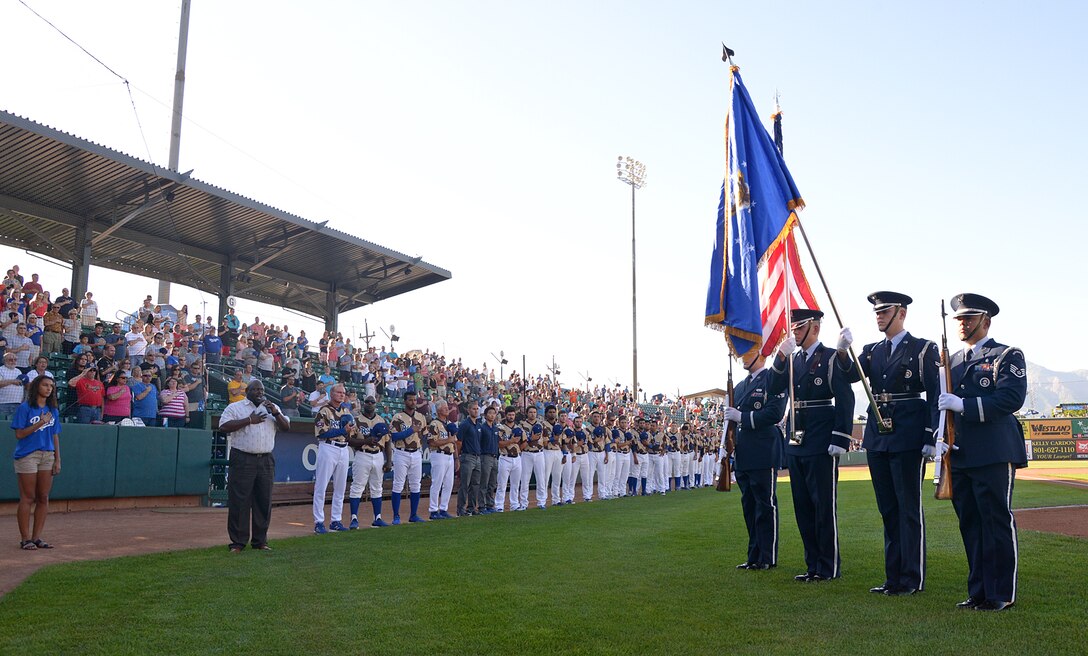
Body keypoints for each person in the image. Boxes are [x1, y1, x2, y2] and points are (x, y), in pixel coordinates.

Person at [839, 291, 940, 596]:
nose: (879, 316)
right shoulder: (871, 351)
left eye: (885, 311)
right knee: (888, 509)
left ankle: (912, 578)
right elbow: (849, 376)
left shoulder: (923, 349)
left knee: (908, 508)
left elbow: (935, 394)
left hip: (908, 433)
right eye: (877, 312)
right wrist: (843, 350)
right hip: (879, 435)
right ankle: (892, 577)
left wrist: (930, 435)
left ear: (901, 313)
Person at [936, 293, 1027, 612]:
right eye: (959, 319)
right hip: (959, 452)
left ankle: (1001, 592)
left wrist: (964, 406)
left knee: (996, 520)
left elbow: (1010, 399)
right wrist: (941, 437)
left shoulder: (1006, 355)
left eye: (969, 318)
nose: (962, 324)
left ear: (986, 321)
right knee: (971, 524)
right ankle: (978, 591)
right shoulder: (952, 361)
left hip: (993, 450)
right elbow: (944, 407)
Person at [768, 308, 855, 583]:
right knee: (803, 505)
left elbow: (845, 397)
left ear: (814, 328)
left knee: (823, 506)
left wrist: (840, 436)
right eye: (793, 328)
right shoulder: (792, 360)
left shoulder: (830, 357)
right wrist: (780, 357)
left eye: (799, 327)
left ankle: (828, 566)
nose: (794, 332)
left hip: (820, 437)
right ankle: (812, 564)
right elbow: (772, 387)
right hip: (796, 437)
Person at [725, 349, 787, 571]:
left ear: (761, 355)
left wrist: (742, 417)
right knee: (749, 505)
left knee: (765, 504)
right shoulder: (740, 386)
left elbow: (774, 413)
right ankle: (753, 556)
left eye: (748, 352)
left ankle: (767, 556)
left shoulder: (773, 378)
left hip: (763, 449)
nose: (742, 357)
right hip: (743, 450)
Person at [218, 380, 289, 553]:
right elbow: (223, 426)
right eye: (255, 389)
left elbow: (286, 427)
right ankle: (238, 542)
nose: (259, 392)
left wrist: (276, 413)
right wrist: (250, 420)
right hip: (243, 458)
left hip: (265, 459)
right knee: (240, 501)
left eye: (262, 389)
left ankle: (260, 541)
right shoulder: (236, 407)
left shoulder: (272, 408)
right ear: (247, 390)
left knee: (263, 501)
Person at [12, 375, 62, 550]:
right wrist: (41, 422)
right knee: (28, 497)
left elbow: (55, 435)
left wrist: (58, 459)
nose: (49, 389)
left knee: (43, 497)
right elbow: (19, 434)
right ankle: (25, 539)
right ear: (37, 387)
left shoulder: (53, 410)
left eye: (51, 386)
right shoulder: (25, 408)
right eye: (45, 385)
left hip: (47, 455)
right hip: (28, 455)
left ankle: (37, 537)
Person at [312, 384, 356, 533]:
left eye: (343, 392)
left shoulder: (346, 411)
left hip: (343, 448)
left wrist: (348, 432)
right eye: (338, 392)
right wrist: (342, 430)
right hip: (328, 447)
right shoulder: (324, 410)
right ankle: (319, 522)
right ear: (332, 394)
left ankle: (336, 520)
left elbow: (351, 433)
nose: (342, 394)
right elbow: (321, 433)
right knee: (321, 486)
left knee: (340, 487)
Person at [346, 396, 392, 529]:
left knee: (377, 488)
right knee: (357, 487)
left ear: (375, 404)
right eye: (367, 402)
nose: (370, 404)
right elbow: (349, 440)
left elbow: (388, 442)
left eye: (372, 402)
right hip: (362, 454)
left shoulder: (381, 420)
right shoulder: (356, 420)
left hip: (378, 455)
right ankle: (354, 518)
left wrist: (389, 460)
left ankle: (377, 518)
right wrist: (365, 441)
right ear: (363, 403)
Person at [389, 390, 429, 523]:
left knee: (415, 485)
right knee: (398, 485)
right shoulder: (398, 417)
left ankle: (413, 515)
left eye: (414, 400)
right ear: (405, 401)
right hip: (401, 452)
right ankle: (396, 515)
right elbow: (394, 436)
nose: (413, 402)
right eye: (410, 400)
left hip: (416, 453)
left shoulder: (420, 417)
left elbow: (424, 434)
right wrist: (411, 430)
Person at [426, 401, 458, 519]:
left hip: (450, 455)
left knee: (449, 484)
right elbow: (432, 442)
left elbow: (454, 441)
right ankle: (433, 510)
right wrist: (448, 441)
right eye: (444, 408)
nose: (446, 409)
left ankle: (444, 508)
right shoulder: (434, 423)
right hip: (438, 454)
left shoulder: (450, 424)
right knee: (437, 483)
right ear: (438, 410)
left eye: (447, 408)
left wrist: (456, 458)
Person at [518, 406, 548, 510]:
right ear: (527, 413)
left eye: (534, 412)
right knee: (525, 479)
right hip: (527, 452)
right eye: (530, 412)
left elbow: (545, 439)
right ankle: (523, 503)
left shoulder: (541, 424)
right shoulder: (522, 424)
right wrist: (531, 439)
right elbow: (520, 439)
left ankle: (541, 502)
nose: (532, 414)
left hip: (539, 453)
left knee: (541, 478)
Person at [456, 400, 482, 516]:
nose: (475, 411)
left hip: (477, 457)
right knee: (465, 484)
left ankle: (472, 507)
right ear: (468, 410)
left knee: (475, 484)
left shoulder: (478, 424)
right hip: (467, 456)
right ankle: (461, 509)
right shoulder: (465, 424)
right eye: (473, 409)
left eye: (477, 409)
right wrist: (459, 457)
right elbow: (459, 442)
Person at [495, 406, 523, 512]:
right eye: (509, 414)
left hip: (517, 458)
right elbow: (499, 443)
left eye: (513, 415)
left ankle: (514, 504)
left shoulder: (519, 428)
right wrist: (511, 441)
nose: (511, 416)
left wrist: (519, 448)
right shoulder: (500, 427)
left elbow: (524, 441)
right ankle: (499, 505)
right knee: (502, 484)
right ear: (505, 415)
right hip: (505, 457)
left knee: (515, 484)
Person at [478, 404, 500, 514]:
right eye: (490, 413)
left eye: (494, 413)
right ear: (485, 415)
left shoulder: (495, 428)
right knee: (484, 483)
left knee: (492, 483)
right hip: (485, 456)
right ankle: (482, 506)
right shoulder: (482, 428)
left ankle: (490, 504)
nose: (492, 415)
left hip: (495, 457)